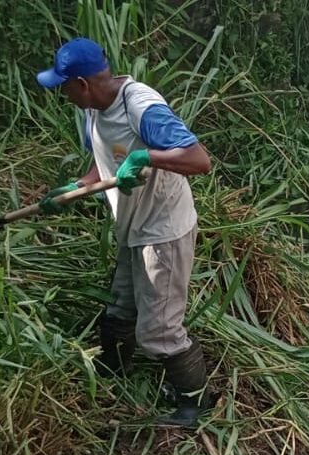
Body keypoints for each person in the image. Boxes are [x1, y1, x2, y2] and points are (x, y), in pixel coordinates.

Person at [35, 37, 214, 427]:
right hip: (133, 226)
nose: (62, 95)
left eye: (64, 87)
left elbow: (200, 160)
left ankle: (194, 403)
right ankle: (114, 372)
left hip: (163, 230)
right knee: (120, 306)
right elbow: (102, 166)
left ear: (81, 83)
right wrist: (73, 189)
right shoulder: (93, 110)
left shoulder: (142, 106)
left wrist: (147, 155)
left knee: (160, 330)